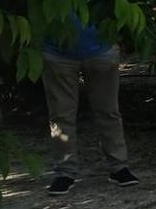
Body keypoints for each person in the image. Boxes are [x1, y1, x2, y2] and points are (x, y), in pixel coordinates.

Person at [41, 17, 139, 194]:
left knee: (108, 111)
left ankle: (119, 167)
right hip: (57, 52)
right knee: (61, 115)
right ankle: (64, 172)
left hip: (102, 49)